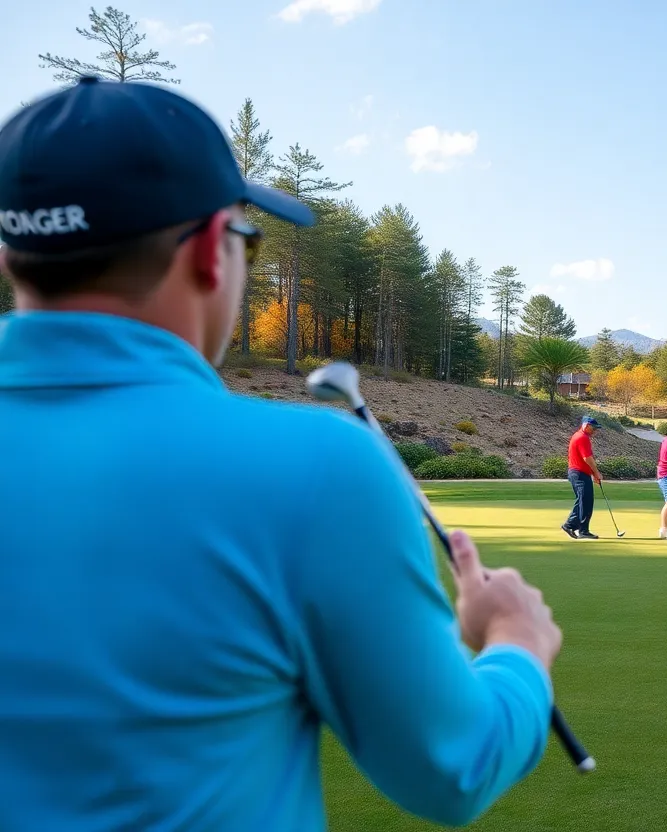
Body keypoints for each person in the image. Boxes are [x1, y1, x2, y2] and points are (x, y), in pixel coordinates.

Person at [0, 77, 562, 829]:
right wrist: (515, 641)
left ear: (13, 260)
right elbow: (453, 766)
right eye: (248, 240)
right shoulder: (319, 467)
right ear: (209, 251)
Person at [562, 415, 603, 539]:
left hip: (580, 473)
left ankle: (582, 529)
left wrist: (592, 474)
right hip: (578, 473)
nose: (595, 431)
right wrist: (596, 473)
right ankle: (572, 526)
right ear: (586, 426)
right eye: (593, 428)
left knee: (585, 501)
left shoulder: (581, 436)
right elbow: (587, 458)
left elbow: (586, 459)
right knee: (584, 500)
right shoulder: (582, 437)